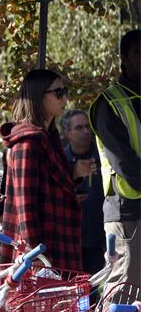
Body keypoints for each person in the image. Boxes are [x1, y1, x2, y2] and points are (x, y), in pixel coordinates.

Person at [0, 69, 82, 270]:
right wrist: (33, 251)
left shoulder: (48, 138)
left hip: (58, 242)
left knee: (68, 300)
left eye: (65, 91)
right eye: (58, 93)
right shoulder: (27, 142)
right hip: (38, 252)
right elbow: (25, 203)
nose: (65, 98)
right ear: (39, 96)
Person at [91, 29, 140, 286]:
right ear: (124, 58)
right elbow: (124, 162)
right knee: (125, 287)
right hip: (126, 213)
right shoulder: (110, 102)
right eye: (138, 54)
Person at [62, 109, 106, 273]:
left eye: (88, 126)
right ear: (67, 133)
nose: (86, 131)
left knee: (94, 290)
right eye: (79, 128)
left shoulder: (104, 155)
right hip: (69, 238)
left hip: (99, 238)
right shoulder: (60, 160)